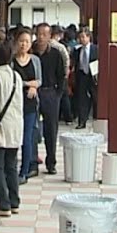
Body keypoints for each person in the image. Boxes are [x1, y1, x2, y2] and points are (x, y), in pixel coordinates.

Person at [0, 41, 24, 217]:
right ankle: (14, 202)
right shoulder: (17, 76)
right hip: (16, 125)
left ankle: (3, 204)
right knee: (11, 166)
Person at [32, 23, 67, 175]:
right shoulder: (30, 52)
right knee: (32, 129)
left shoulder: (55, 53)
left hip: (50, 93)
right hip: (32, 94)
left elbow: (62, 75)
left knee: (50, 130)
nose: (41, 37)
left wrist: (58, 94)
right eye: (38, 34)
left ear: (50, 36)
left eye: (44, 34)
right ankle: (32, 162)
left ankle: (51, 162)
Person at [11, 27, 42, 180]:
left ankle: (24, 171)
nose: (24, 44)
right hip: (14, 105)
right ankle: (11, 168)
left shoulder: (35, 60)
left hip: (30, 105)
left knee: (27, 138)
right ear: (16, 42)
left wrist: (34, 86)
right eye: (21, 41)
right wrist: (28, 84)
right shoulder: (11, 61)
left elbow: (39, 80)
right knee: (14, 138)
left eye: (27, 41)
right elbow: (11, 81)